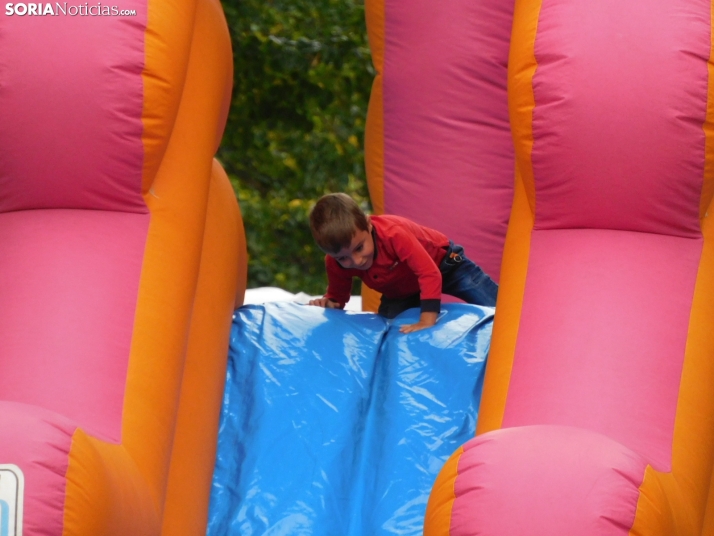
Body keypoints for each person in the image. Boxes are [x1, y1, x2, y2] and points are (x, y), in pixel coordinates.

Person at [307, 193, 498, 333]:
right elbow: (337, 296)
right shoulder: (335, 262)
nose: (357, 261)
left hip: (444, 264)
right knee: (387, 330)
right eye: (343, 258)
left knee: (492, 303)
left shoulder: (393, 235)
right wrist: (329, 304)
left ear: (368, 224)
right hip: (400, 290)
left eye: (359, 248)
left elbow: (428, 273)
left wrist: (427, 320)